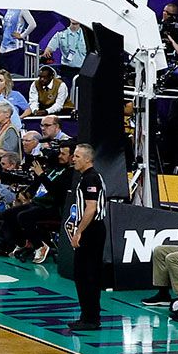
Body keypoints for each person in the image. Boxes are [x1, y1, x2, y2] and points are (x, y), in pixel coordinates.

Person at [67, 142, 108, 333]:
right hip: (92, 229)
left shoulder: (90, 178)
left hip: (92, 230)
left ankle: (91, 318)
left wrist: (79, 231)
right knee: (82, 274)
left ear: (88, 159)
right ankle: (87, 315)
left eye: (77, 156)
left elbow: (91, 208)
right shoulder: (88, 177)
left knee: (87, 275)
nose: (73, 159)